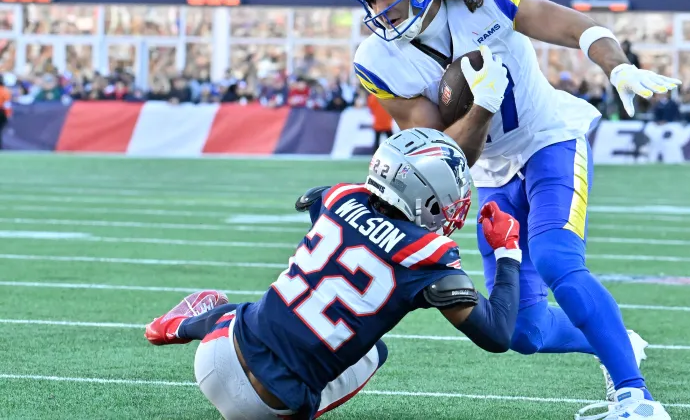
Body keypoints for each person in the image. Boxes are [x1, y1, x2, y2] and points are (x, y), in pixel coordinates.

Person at [346, 0, 679, 418]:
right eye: (372, 0)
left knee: (556, 256)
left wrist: (617, 66)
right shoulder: (378, 61)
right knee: (521, 331)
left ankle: (636, 398)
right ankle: (615, 340)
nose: (381, 9)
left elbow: (575, 27)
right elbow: (443, 152)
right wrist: (481, 106)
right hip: (489, 170)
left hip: (549, 139)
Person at [144, 128, 524, 419]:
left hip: (215, 356)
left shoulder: (340, 196)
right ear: (428, 195)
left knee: (266, 311)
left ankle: (182, 325)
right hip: (266, 407)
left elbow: (315, 199)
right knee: (374, 351)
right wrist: (507, 252)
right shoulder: (429, 256)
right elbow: (497, 334)